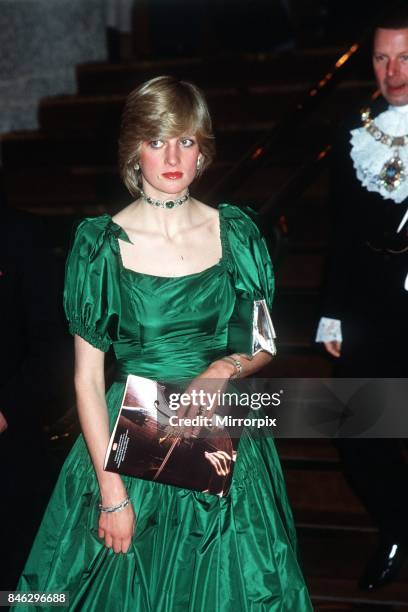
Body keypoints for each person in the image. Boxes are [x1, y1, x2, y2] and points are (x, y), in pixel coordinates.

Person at [17, 76, 312, 610]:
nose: (172, 155)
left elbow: (263, 342)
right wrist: (111, 496)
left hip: (227, 440)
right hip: (131, 447)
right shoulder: (100, 246)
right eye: (156, 141)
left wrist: (225, 367)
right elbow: (85, 378)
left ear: (203, 150)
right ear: (134, 150)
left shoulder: (237, 232)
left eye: (186, 140)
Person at [316, 3, 408, 591]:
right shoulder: (356, 132)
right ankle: (396, 527)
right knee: (360, 436)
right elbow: (342, 231)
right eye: (381, 57)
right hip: (372, 305)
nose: (392, 70)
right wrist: (331, 312)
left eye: (404, 57)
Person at [0, 204, 64, 590]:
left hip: (10, 451)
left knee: (14, 591)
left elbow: (53, 348)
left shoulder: (20, 232)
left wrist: (6, 410)